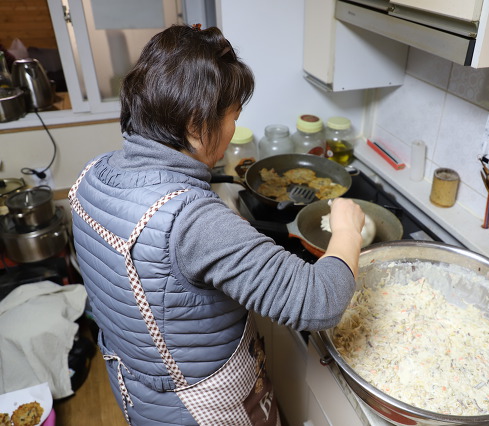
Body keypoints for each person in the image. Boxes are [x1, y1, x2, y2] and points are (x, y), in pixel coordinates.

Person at [68, 24, 364, 426]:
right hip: (198, 408)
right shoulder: (192, 220)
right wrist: (346, 229)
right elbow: (320, 301)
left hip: (138, 391)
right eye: (233, 117)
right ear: (195, 125)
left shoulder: (93, 174)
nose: (231, 130)